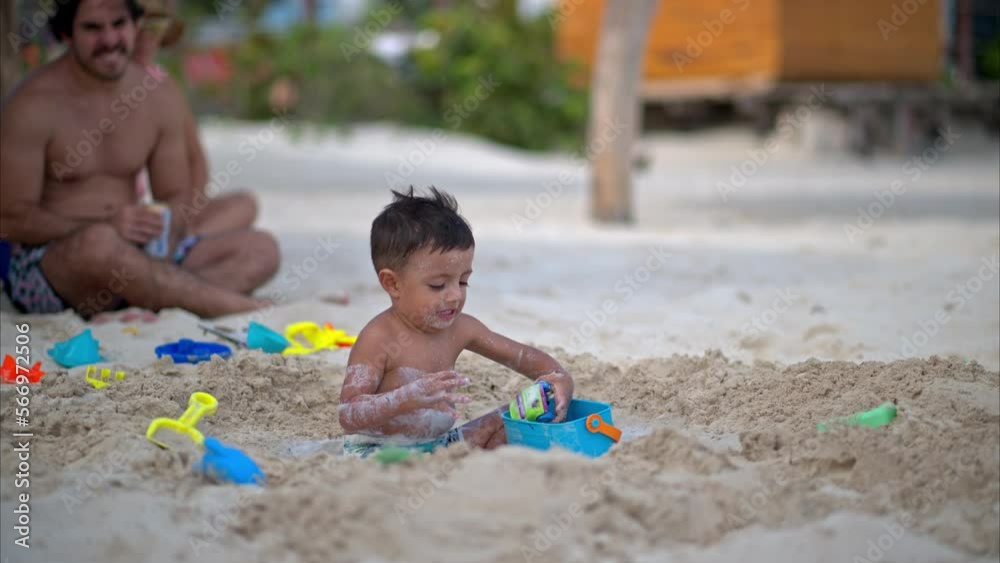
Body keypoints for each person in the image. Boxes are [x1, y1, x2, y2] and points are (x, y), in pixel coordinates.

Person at [0, 0, 279, 319]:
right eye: (92, 28)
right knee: (99, 243)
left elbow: (175, 194)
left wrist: (163, 233)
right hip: (53, 267)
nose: (109, 40)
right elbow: (9, 219)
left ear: (135, 27)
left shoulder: (155, 94)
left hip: (137, 255)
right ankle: (226, 306)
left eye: (118, 24)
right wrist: (105, 225)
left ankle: (151, 298)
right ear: (66, 34)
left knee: (261, 249)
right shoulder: (31, 104)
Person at [338, 187, 575, 457]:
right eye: (438, 285)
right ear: (393, 283)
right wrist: (404, 398)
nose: (454, 295)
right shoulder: (379, 337)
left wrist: (559, 379)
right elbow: (348, 414)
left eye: (463, 281)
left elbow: (523, 356)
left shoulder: (461, 328)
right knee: (395, 462)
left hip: (442, 445)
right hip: (378, 451)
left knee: (512, 416)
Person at [131, 0, 258, 236]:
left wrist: (188, 213)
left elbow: (196, 158)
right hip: (123, 214)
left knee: (245, 204)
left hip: (164, 212)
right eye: (138, 24)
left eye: (156, 24)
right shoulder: (105, 82)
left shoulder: (163, 85)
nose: (147, 34)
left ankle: (179, 241)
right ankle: (175, 246)